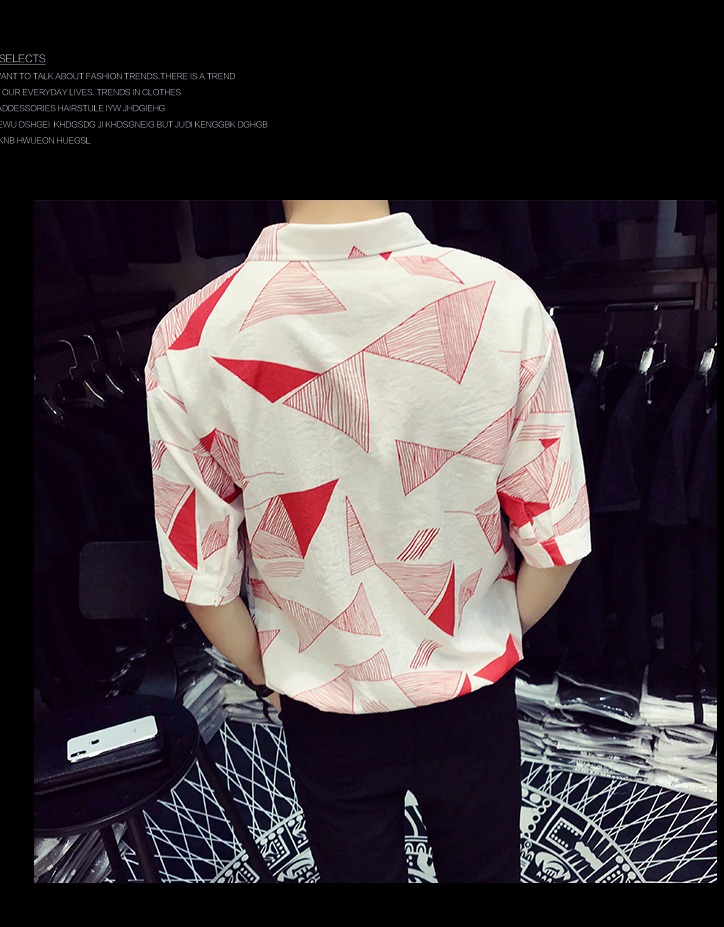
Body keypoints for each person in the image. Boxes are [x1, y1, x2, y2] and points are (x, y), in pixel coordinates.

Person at [145, 200, 590, 882]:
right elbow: (558, 542)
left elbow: (200, 581)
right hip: (471, 694)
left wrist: (267, 677)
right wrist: (483, 632)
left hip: (324, 707)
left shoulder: (188, 337)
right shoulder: (505, 303)